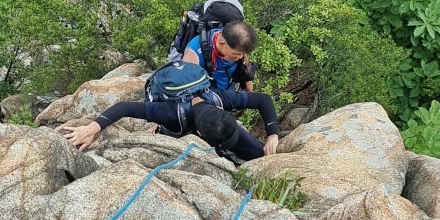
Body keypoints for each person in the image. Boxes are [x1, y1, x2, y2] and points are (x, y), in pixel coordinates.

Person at [61, 89, 280, 160]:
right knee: (169, 133)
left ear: (222, 110)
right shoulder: (168, 113)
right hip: (175, 126)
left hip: (213, 124)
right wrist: (92, 129)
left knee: (260, 155)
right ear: (199, 134)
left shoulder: (220, 97)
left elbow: (263, 100)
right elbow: (125, 107)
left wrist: (272, 135)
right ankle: (161, 130)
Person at [183, 18, 258, 95]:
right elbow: (186, 89)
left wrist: (248, 80)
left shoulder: (234, 39)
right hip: (209, 94)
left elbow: (242, 54)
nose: (240, 57)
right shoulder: (193, 54)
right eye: (237, 54)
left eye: (243, 53)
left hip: (229, 86)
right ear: (222, 44)